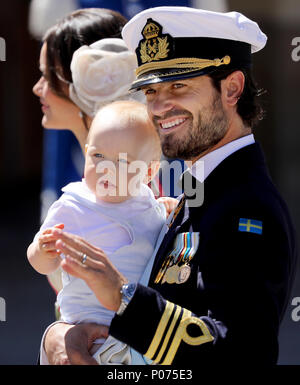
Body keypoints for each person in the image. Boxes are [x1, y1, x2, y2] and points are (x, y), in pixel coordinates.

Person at [41, 6, 297, 365]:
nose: (160, 107)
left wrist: (123, 296)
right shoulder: (202, 189)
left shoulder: (247, 205)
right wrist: (61, 334)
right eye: (150, 92)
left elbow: (241, 353)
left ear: (232, 88)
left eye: (178, 85)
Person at [28, 100, 177, 364]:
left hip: (139, 336)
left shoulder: (149, 205)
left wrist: (164, 211)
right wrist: (42, 250)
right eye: (97, 156)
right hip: (85, 333)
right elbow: (39, 264)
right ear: (86, 153)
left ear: (149, 171)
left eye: (121, 161)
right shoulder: (73, 205)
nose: (104, 168)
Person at [32, 8, 146, 295]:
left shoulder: (136, 179)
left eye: (48, 76)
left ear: (91, 79)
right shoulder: (93, 169)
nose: (37, 88)